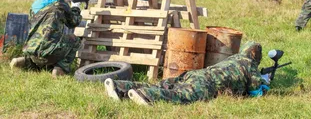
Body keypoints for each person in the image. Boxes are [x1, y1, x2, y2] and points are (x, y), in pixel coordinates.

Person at [104, 41, 271, 106]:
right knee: (181, 95)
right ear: (256, 56)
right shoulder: (250, 65)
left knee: (166, 83)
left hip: (197, 74)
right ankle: (146, 94)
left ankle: (121, 87)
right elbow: (256, 93)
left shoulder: (234, 58)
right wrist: (266, 82)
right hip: (208, 84)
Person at [9, 0, 82, 77]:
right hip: (51, 51)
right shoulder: (60, 3)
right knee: (75, 40)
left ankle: (22, 61)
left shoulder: (36, 3)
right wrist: (76, 8)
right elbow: (73, 22)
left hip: (31, 50)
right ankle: (60, 69)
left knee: (38, 60)